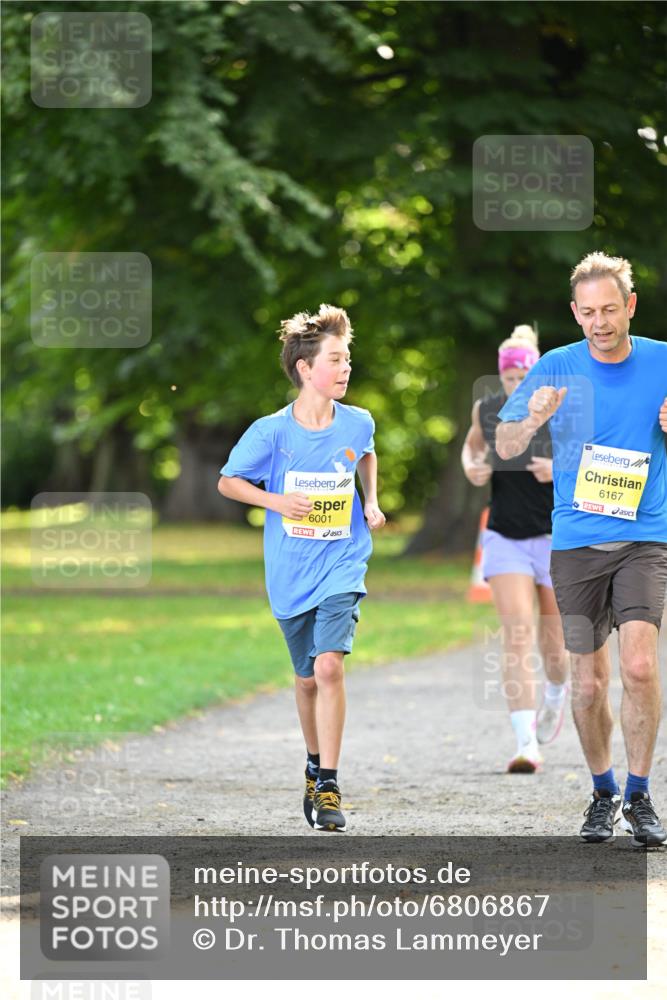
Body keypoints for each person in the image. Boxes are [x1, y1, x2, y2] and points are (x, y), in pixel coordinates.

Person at [496, 252, 667, 847]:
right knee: (589, 684)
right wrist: (532, 418)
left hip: (646, 536)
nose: (600, 322)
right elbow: (507, 440)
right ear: (575, 312)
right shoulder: (556, 366)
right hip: (576, 543)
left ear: (631, 307)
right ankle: (603, 791)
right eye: (589, 312)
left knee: (640, 665)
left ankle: (641, 795)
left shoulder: (663, 361)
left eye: (610, 310)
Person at [218, 304, 385, 832]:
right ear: (305, 369)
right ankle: (313, 765)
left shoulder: (357, 421)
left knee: (330, 665)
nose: (345, 368)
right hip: (290, 571)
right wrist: (277, 502)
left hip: (342, 560)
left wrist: (372, 501)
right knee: (307, 677)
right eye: (335, 360)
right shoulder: (271, 433)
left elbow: (366, 454)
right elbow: (228, 481)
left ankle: (330, 785)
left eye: (347, 358)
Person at [462, 325, 569, 774]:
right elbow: (471, 450)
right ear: (502, 377)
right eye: (509, 377)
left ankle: (556, 693)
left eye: (523, 376)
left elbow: (593, 459)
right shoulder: (487, 409)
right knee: (517, 636)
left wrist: (557, 468)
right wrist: (473, 470)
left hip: (554, 536)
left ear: (536, 372)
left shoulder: (559, 408)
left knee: (556, 647)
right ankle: (527, 745)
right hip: (504, 536)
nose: (515, 384)